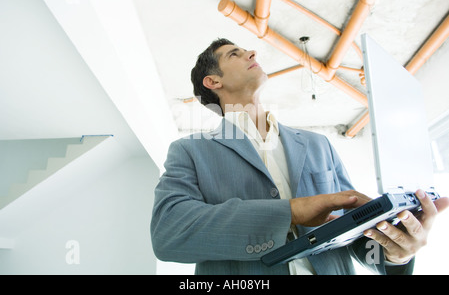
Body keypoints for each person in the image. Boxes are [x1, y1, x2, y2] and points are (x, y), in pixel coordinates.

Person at [150, 38, 449, 275]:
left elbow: (357, 237)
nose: (252, 52)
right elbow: (169, 233)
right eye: (234, 54)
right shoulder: (189, 151)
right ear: (213, 82)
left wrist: (394, 253)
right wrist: (291, 212)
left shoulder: (319, 145)